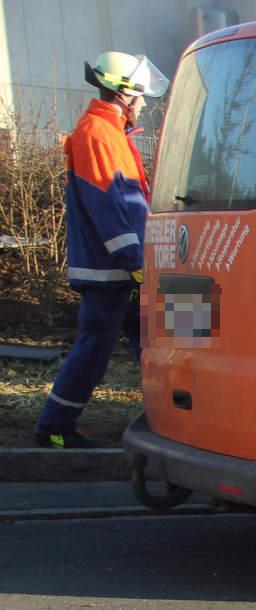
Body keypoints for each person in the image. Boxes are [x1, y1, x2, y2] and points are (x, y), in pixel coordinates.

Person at [34, 51, 168, 449]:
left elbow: (128, 203)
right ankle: (55, 426)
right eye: (141, 94)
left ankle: (180, 419)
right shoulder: (97, 133)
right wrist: (135, 262)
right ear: (124, 93)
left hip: (130, 269)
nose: (144, 101)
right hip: (119, 271)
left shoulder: (111, 133)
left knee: (185, 337)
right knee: (97, 346)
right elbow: (110, 207)